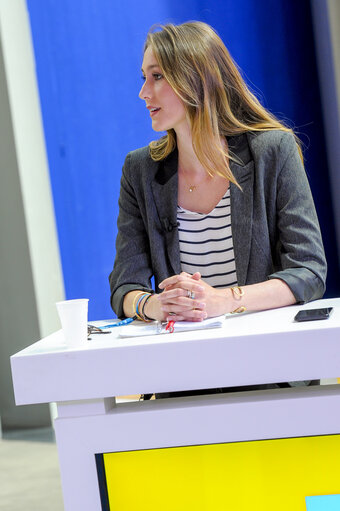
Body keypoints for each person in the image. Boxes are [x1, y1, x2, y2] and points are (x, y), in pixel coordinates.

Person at [109, 21, 326, 329]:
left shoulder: (273, 151)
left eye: (157, 76)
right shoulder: (139, 170)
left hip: (266, 360)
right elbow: (124, 286)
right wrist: (155, 305)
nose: (143, 92)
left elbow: (309, 271)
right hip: (185, 366)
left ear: (195, 79)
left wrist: (223, 301)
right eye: (144, 77)